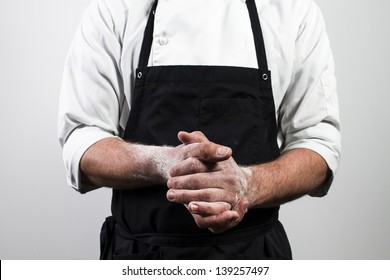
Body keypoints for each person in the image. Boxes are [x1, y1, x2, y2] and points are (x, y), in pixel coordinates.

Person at [58, 0, 341, 259]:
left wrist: (249, 184)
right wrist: (167, 163)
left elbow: (318, 145)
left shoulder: (293, 11)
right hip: (140, 257)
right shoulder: (115, 9)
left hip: (255, 256)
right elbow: (82, 141)